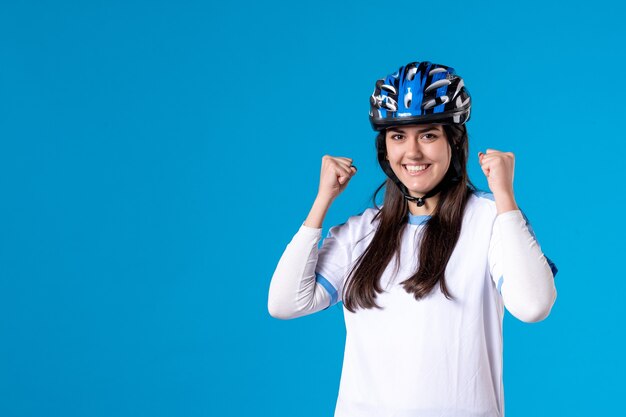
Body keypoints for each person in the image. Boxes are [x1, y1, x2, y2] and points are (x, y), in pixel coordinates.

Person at [267, 60, 558, 417]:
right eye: (399, 136)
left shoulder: (488, 219)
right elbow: (284, 303)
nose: (413, 152)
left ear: (454, 141)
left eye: (429, 135)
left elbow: (533, 305)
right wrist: (321, 203)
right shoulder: (361, 232)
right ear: (385, 149)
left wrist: (506, 200)